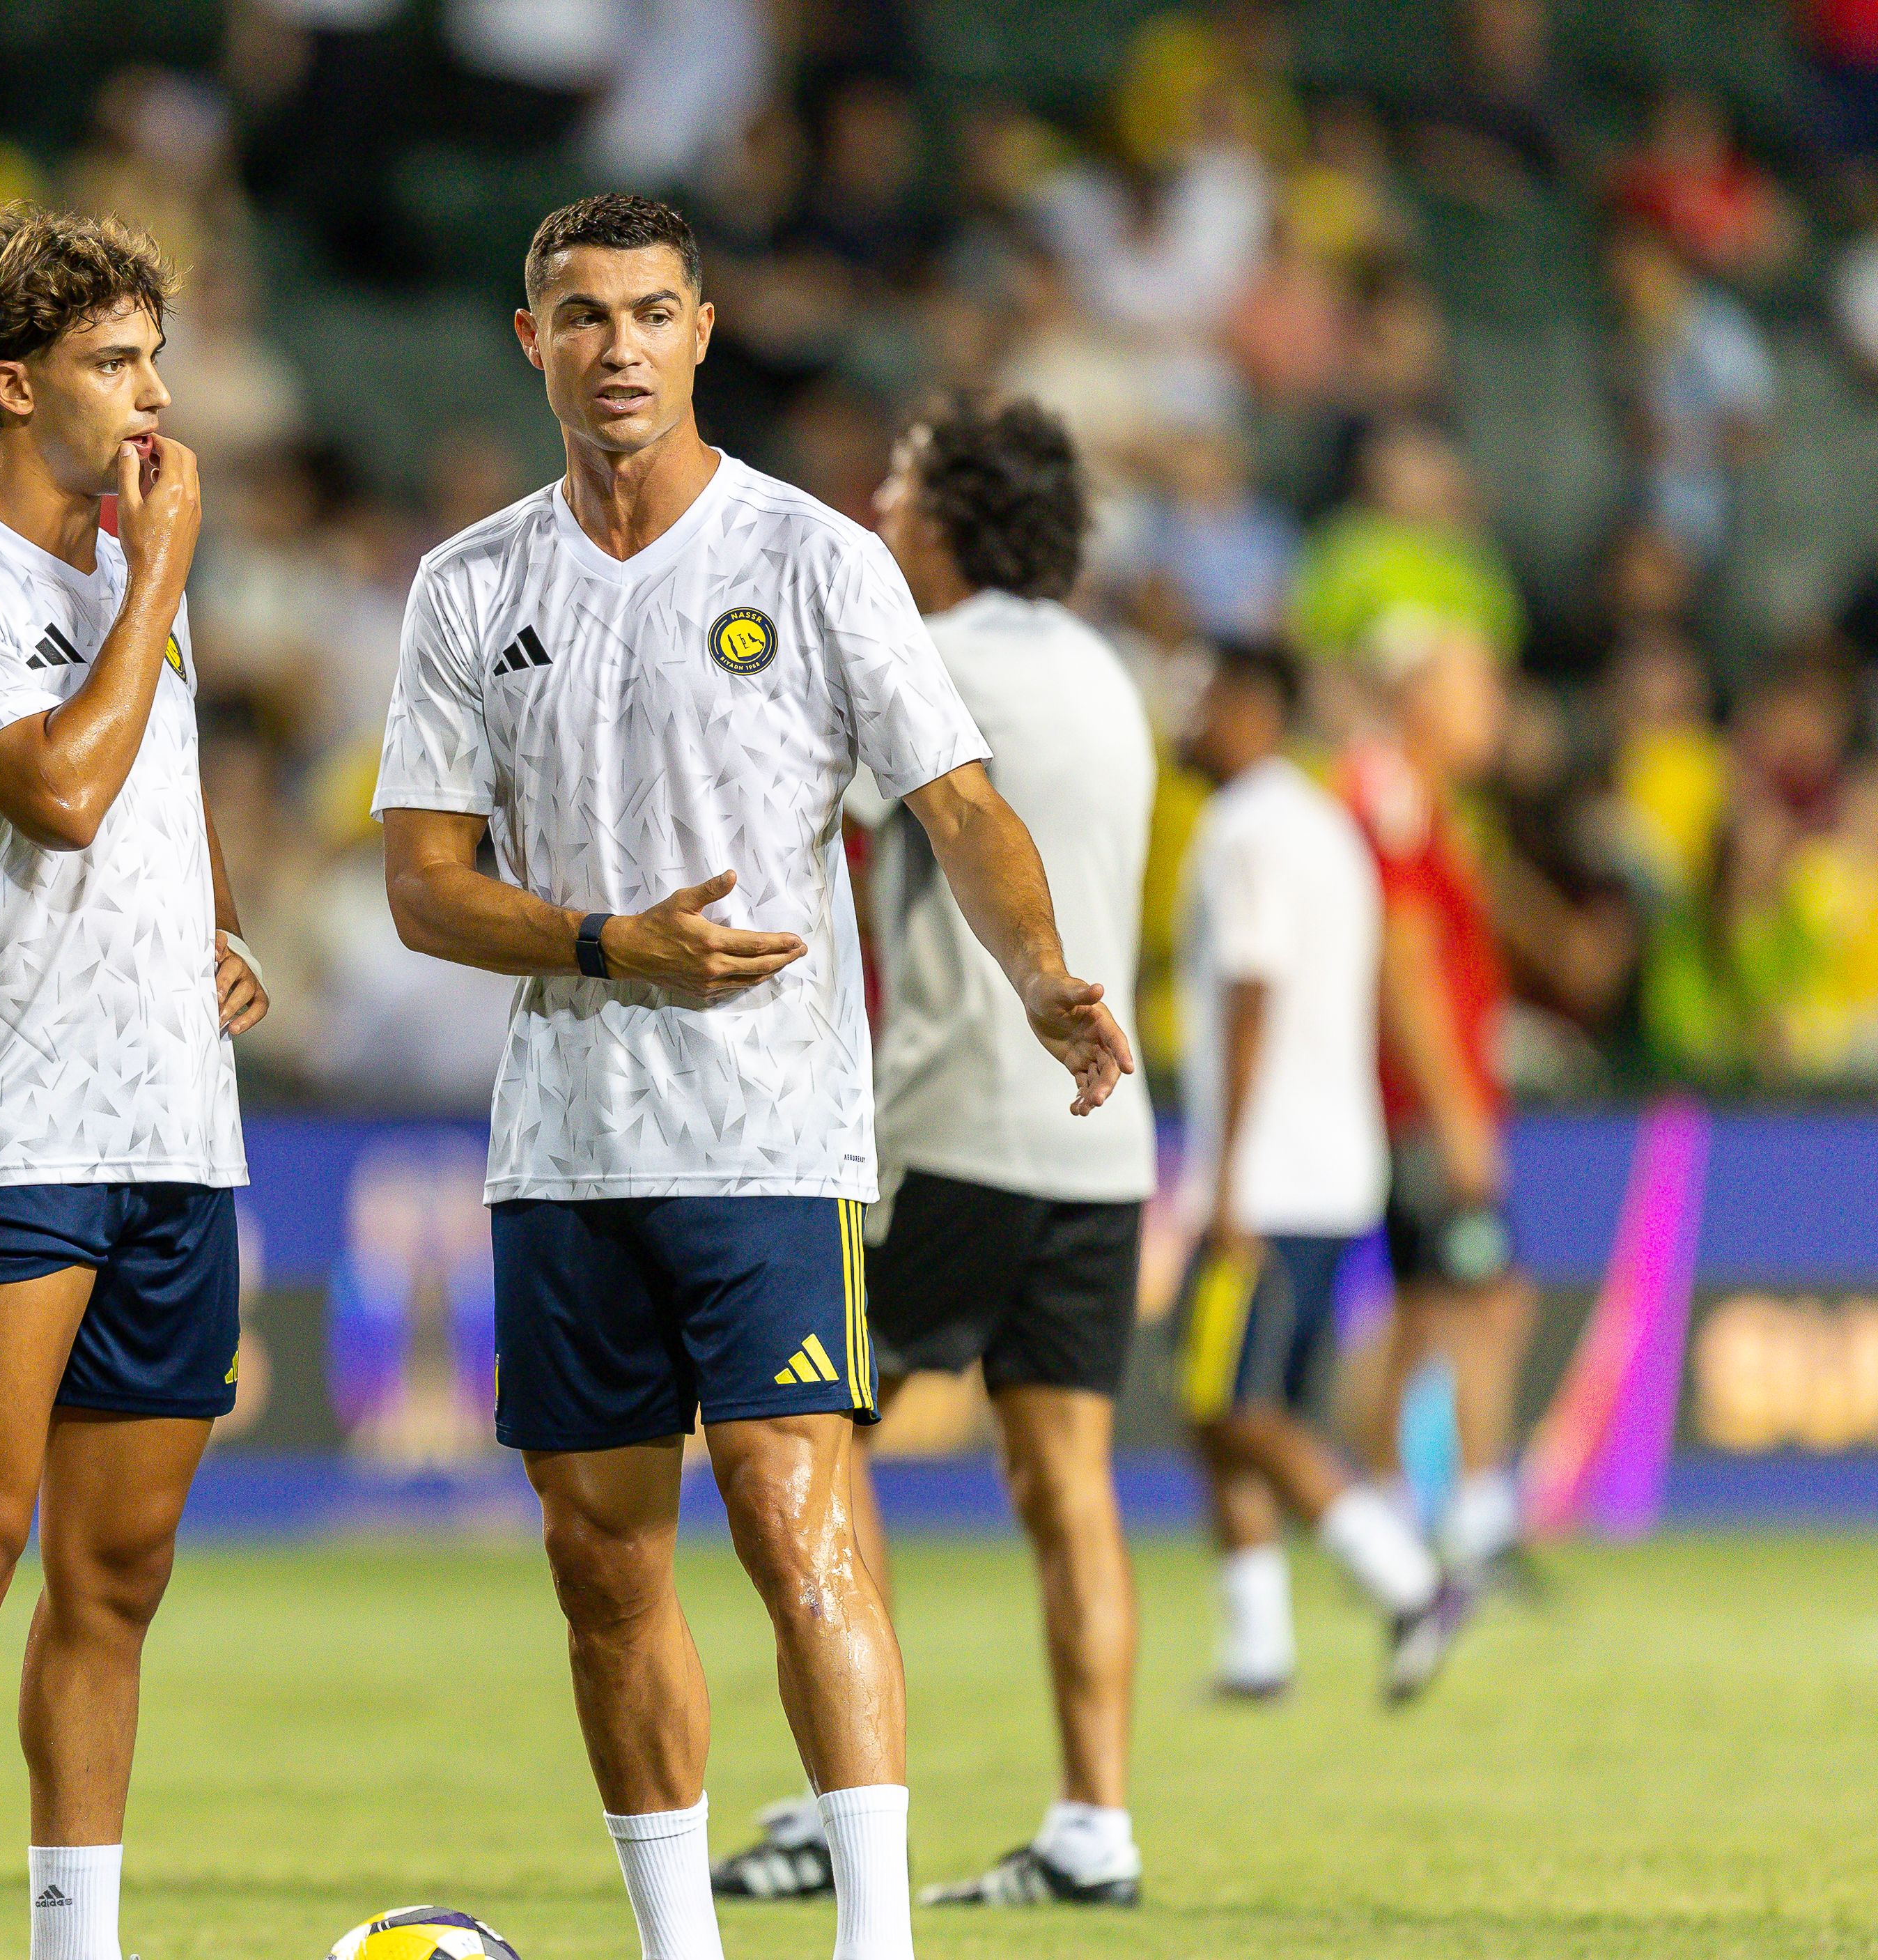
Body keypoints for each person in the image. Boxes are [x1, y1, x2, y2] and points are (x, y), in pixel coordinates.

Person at [373, 195, 1134, 1960]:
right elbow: (422, 885)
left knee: (800, 1522)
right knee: (602, 1564)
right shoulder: (471, 586)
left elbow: (957, 799)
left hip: (770, 1138)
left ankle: (874, 1941)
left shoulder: (813, 561)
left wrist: (1038, 976)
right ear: (530, 341)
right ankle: (679, 1945)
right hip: (563, 1150)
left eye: (651, 312)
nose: (618, 346)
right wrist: (601, 943)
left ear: (704, 332)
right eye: (581, 316)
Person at [0, 203, 267, 1960]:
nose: (153, 396)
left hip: (173, 1128)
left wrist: (220, 928)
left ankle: (75, 1944)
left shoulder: (125, 587)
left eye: (155, 355)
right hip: (0, 1131)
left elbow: (151, 808)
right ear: (13, 386)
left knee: (119, 1579)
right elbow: (60, 791)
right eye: (114, 361)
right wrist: (159, 574)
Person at [709, 399, 1158, 1909]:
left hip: (955, 1118)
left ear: (953, 515)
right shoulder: (1110, 671)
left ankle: (852, 1809)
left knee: (821, 1446)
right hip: (1105, 1137)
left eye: (898, 486)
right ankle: (1095, 1823)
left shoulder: (929, 659)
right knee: (1069, 1481)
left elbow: (787, 812)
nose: (878, 509)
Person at [1173, 640, 1473, 1704]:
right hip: (1333, 1163)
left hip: (1271, 1173)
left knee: (1233, 1402)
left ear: (1252, 706)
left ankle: (1407, 1580)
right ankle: (1259, 1647)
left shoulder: (1244, 825)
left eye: (1203, 693)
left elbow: (1250, 994)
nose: (1188, 716)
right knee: (1232, 1405)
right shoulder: (1326, 825)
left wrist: (1225, 1177)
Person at [1343, 615, 1538, 1589]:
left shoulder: (1413, 795)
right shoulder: (1399, 797)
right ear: (1420, 696)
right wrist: (1457, 1110)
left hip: (1410, 1100)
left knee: (1428, 1309)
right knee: (1483, 1302)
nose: (1493, 713)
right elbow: (1405, 962)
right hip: (1418, 1104)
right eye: (1477, 689)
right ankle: (1472, 1518)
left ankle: (1387, 1517)